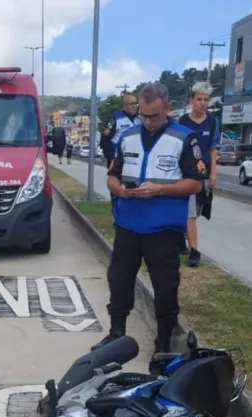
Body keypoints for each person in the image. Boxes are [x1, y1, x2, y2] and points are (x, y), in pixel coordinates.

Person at [93, 82, 206, 362]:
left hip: (163, 228)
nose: (147, 121)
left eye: (154, 115)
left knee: (165, 286)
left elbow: (194, 184)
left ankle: (164, 342)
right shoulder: (128, 136)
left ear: (168, 108)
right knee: (118, 279)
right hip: (128, 223)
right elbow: (112, 174)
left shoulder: (184, 138)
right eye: (143, 114)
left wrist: (160, 189)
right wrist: (116, 187)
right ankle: (116, 333)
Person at [178, 82, 220, 267]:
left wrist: (213, 174)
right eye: (199, 99)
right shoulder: (182, 122)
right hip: (186, 174)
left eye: (206, 100)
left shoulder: (212, 121)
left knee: (198, 210)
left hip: (204, 174)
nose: (203, 103)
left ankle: (181, 239)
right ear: (191, 100)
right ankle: (194, 250)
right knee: (190, 213)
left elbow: (213, 149)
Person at [100, 93, 141, 168]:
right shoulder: (115, 119)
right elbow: (105, 140)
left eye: (136, 103)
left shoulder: (140, 119)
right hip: (118, 161)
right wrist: (111, 158)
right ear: (124, 106)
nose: (134, 106)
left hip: (135, 161)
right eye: (131, 104)